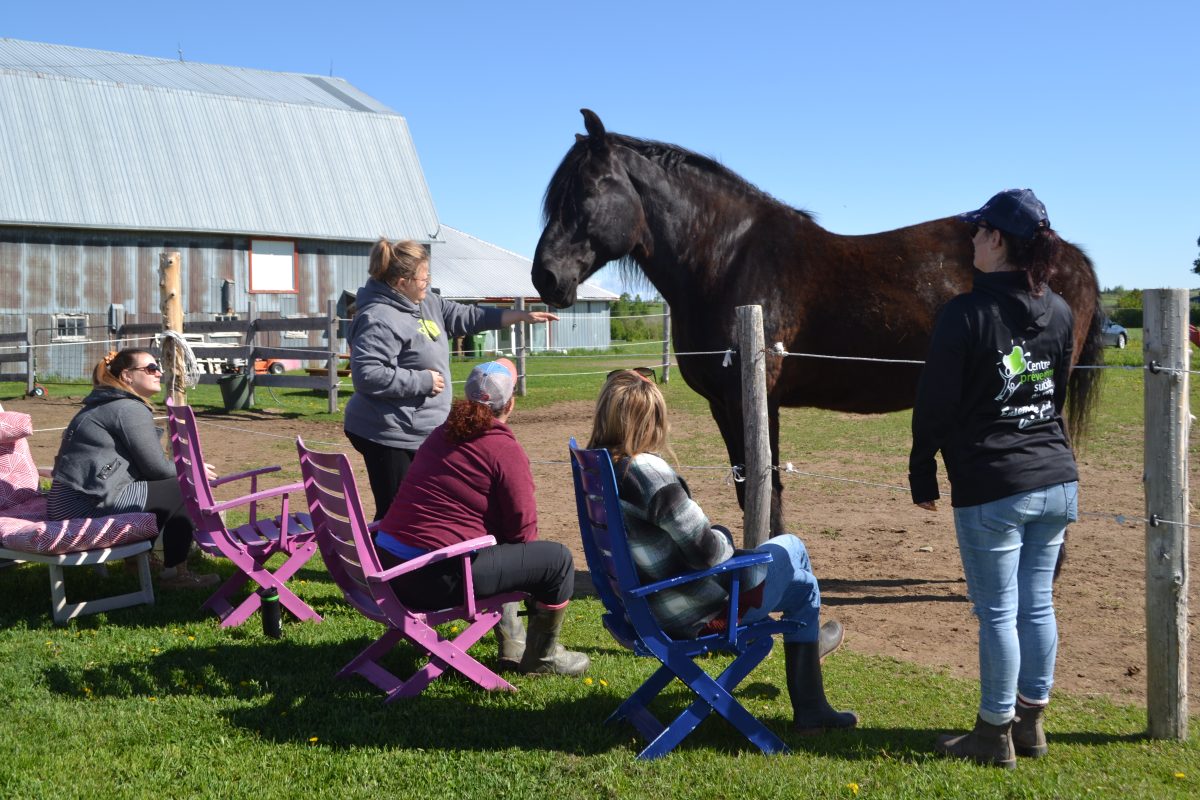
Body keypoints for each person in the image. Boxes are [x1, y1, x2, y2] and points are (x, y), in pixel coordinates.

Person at [909, 188, 1079, 768]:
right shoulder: (1059, 311)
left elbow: (935, 403)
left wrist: (921, 466)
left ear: (998, 241)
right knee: (1037, 606)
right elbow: (1053, 392)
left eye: (979, 231)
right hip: (1056, 477)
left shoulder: (964, 314)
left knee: (998, 612)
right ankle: (1030, 724)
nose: (972, 240)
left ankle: (993, 731)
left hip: (994, 484)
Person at [587, 369, 857, 735]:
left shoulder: (597, 468)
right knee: (793, 551)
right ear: (652, 420)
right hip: (695, 613)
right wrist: (724, 534)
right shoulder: (647, 472)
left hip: (643, 606)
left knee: (803, 585)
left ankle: (809, 656)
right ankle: (808, 677)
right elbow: (709, 554)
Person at [375, 358, 588, 676]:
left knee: (496, 546)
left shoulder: (439, 435)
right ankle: (543, 658)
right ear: (511, 404)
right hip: (431, 579)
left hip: (388, 568)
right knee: (556, 561)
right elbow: (523, 533)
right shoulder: (502, 447)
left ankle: (513, 643)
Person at [344, 238, 559, 520]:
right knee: (395, 512)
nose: (428, 282)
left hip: (417, 431)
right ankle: (384, 561)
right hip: (387, 432)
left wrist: (520, 316)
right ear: (401, 281)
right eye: (423, 277)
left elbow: (467, 316)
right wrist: (423, 381)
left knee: (416, 508)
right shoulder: (379, 317)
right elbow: (367, 375)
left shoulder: (425, 301)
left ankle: (402, 559)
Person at [47, 348, 219, 590]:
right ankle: (176, 573)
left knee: (165, 487)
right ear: (127, 376)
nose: (158, 372)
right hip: (84, 506)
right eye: (150, 368)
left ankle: (137, 561)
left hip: (66, 503)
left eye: (157, 367)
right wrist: (193, 470)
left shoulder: (107, 403)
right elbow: (156, 469)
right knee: (183, 487)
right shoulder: (128, 408)